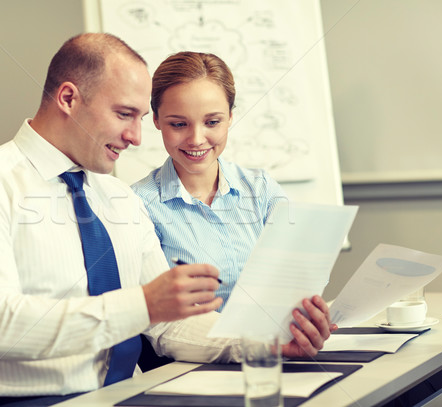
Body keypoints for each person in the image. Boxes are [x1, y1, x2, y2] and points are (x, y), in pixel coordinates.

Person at [0, 35, 333, 407]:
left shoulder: (118, 198)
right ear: (68, 98)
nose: (137, 137)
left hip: (131, 395)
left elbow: (169, 328)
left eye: (142, 117)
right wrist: (142, 304)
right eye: (125, 114)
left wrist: (265, 342)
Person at [131, 51, 336, 317]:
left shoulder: (261, 189)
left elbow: (299, 278)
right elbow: (162, 320)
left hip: (273, 346)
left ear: (230, 116)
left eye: (212, 122)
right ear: (156, 120)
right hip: (196, 355)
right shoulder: (139, 204)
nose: (196, 139)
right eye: (179, 124)